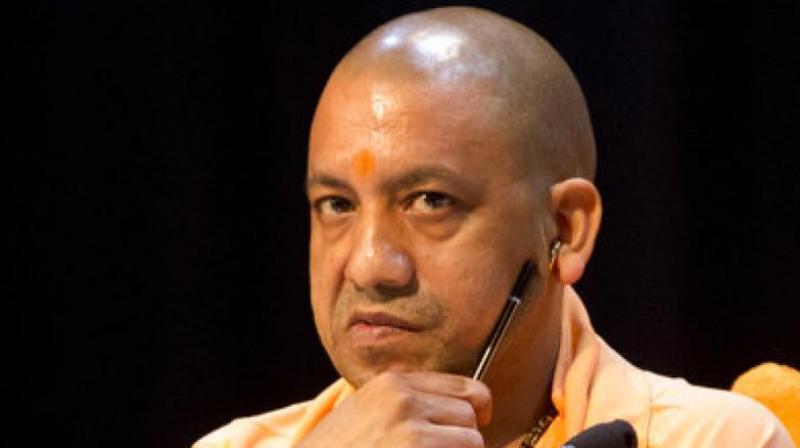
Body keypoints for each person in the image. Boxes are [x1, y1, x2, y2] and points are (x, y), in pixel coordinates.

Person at [194, 6, 793, 448]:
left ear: (566, 229)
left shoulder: (713, 438)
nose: (369, 264)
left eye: (430, 201)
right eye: (336, 205)